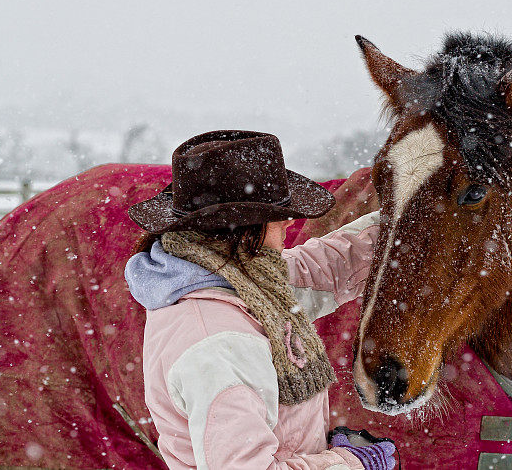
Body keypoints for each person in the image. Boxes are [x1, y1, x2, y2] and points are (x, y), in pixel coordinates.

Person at [124, 130, 397, 470]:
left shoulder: (232, 280)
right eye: (274, 213)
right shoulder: (218, 344)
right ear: (239, 228)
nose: (289, 220)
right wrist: (352, 464)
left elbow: (322, 269)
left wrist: (408, 221)